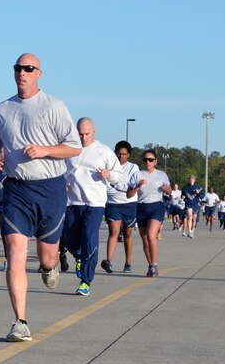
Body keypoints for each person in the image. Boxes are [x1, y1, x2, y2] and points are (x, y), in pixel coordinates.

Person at [0, 53, 81, 342]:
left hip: (50, 188)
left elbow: (74, 148)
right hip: (16, 190)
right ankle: (20, 322)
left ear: (39, 73)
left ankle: (49, 267)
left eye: (28, 69)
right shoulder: (2, 110)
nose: (22, 73)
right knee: (15, 253)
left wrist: (45, 150)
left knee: (46, 256)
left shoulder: (54, 106)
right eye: (18, 68)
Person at [62, 118, 122, 296]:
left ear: (93, 131)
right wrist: (62, 182)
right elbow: (59, 169)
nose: (83, 137)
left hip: (94, 204)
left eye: (87, 134)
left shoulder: (103, 151)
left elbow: (118, 176)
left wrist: (108, 174)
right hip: (73, 202)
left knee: (89, 239)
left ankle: (86, 281)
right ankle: (79, 257)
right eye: (80, 134)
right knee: (69, 240)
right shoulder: (69, 149)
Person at [128, 149, 171, 277]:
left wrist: (166, 189)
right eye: (146, 159)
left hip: (156, 206)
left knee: (151, 236)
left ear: (155, 161)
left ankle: (154, 265)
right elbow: (129, 194)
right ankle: (150, 264)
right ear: (142, 161)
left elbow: (169, 192)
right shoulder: (137, 174)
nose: (148, 162)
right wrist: (137, 187)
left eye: (151, 160)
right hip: (141, 207)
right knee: (145, 240)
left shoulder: (161, 174)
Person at [102, 140, 140, 274]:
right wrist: (124, 188)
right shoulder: (109, 167)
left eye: (124, 154)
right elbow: (107, 187)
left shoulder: (133, 168)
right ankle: (108, 261)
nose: (121, 156)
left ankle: (128, 262)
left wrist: (119, 186)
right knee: (114, 232)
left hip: (130, 204)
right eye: (119, 153)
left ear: (128, 155)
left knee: (128, 233)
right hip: (113, 203)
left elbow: (133, 187)